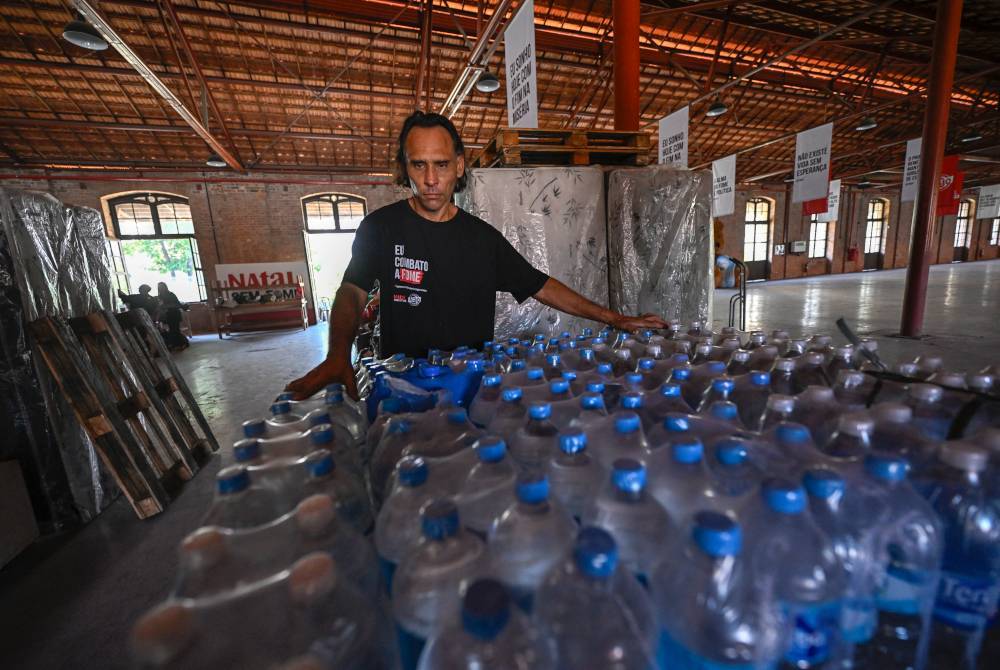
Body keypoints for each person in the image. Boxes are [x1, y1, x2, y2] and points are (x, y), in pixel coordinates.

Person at [286, 111, 667, 400]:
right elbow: (351, 291)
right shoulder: (381, 228)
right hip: (403, 387)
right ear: (405, 168)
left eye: (441, 164)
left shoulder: (482, 240)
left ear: (459, 166)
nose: (431, 179)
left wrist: (615, 318)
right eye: (419, 164)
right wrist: (338, 353)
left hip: (469, 387)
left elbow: (540, 285)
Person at [156, 282, 189, 351]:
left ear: (165, 287)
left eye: (162, 287)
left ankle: (181, 344)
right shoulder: (160, 296)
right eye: (159, 287)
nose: (161, 288)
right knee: (172, 330)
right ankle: (178, 344)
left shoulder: (171, 294)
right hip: (168, 315)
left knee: (175, 329)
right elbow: (161, 306)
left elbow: (177, 304)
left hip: (174, 314)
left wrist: (167, 306)